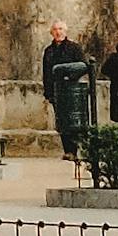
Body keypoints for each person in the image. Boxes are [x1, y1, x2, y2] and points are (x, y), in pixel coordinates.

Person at [42, 20, 86, 158]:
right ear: (51, 32)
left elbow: (83, 66)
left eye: (60, 29)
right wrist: (48, 92)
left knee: (73, 121)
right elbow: (46, 73)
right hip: (57, 91)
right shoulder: (49, 51)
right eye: (55, 29)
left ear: (65, 31)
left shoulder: (74, 48)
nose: (58, 32)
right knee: (62, 122)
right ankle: (67, 150)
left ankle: (74, 150)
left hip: (72, 91)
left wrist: (70, 77)